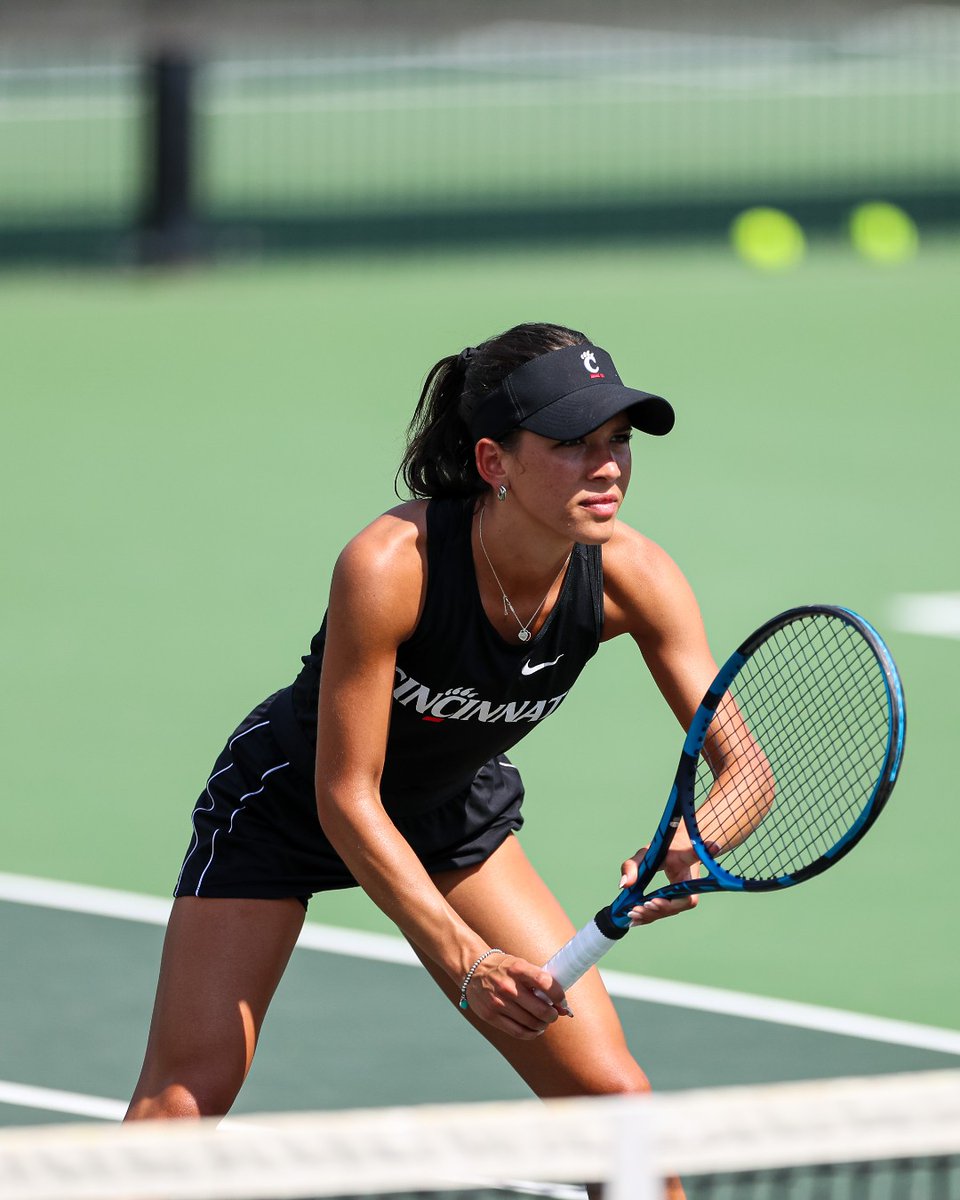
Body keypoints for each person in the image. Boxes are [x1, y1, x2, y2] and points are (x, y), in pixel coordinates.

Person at [126, 322, 719, 1140]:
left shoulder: (636, 577)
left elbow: (745, 767)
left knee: (613, 1103)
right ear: (492, 462)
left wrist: (701, 838)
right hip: (292, 806)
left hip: (448, 810)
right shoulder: (389, 564)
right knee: (186, 1099)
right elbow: (346, 796)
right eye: (573, 442)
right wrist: (465, 961)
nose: (608, 464)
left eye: (618, 440)